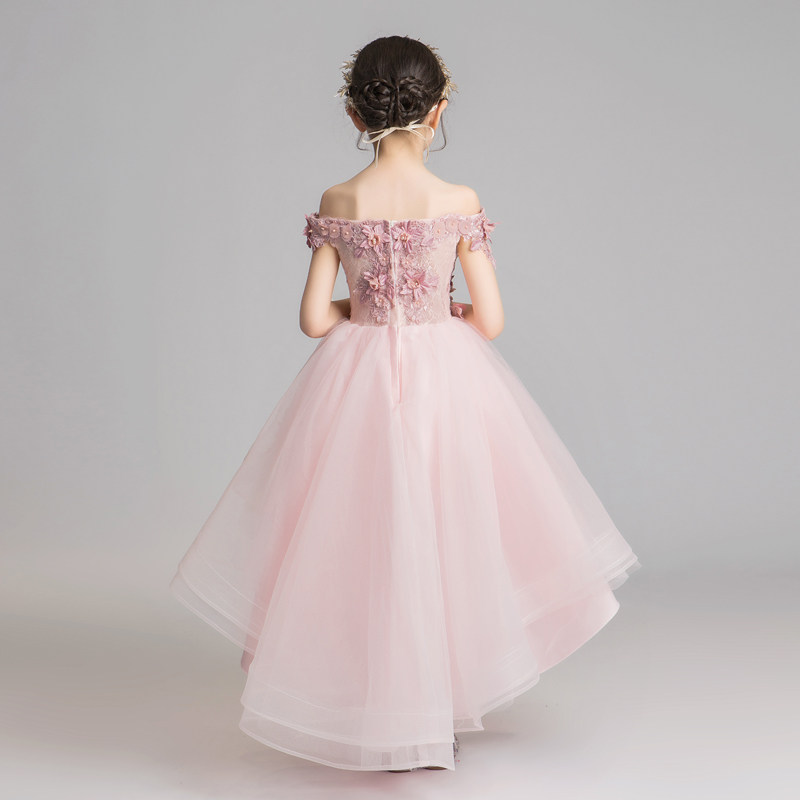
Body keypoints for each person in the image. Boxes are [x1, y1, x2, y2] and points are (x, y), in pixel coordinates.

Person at [169, 34, 641, 774]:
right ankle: (435, 706)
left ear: (355, 114)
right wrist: (437, 312)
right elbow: (490, 320)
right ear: (439, 110)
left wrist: (364, 306)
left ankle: (381, 703)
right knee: (447, 528)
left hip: (354, 379)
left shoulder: (340, 201)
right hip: (445, 379)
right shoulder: (458, 201)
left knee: (366, 534)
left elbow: (313, 320)